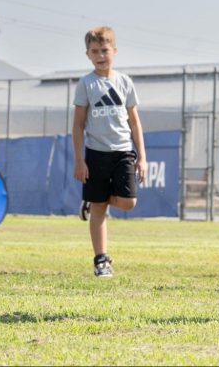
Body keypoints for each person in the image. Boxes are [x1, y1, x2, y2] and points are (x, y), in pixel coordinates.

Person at [72, 26, 147, 278]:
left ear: (114, 51)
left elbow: (134, 122)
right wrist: (79, 160)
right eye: (95, 51)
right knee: (100, 210)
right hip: (95, 153)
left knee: (128, 203)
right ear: (88, 55)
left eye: (105, 50)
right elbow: (78, 124)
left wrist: (142, 158)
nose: (101, 55)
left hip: (123, 151)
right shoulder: (86, 84)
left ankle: (93, 204)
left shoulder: (124, 82)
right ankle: (101, 260)